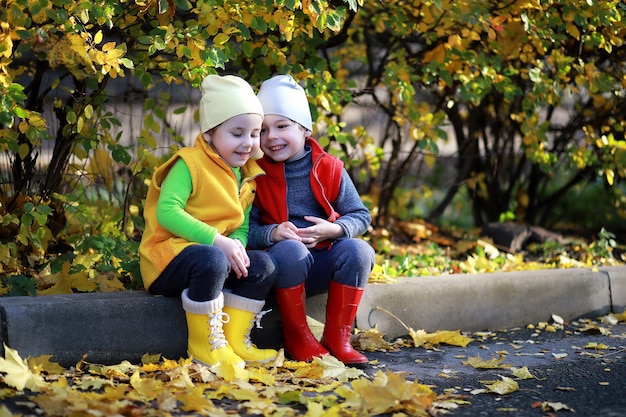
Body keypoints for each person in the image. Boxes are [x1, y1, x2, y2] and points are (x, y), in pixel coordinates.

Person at [139, 74, 278, 368]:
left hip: (212, 259)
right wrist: (219, 242)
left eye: (254, 134)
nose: (248, 143)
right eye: (237, 133)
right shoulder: (189, 163)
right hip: (168, 260)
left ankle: (234, 342)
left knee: (263, 266)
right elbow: (168, 212)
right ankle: (205, 348)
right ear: (211, 133)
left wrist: (236, 250)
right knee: (212, 258)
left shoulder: (247, 174)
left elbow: (239, 225)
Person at [247, 74, 376, 365]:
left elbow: (361, 215)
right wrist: (272, 234)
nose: (272, 137)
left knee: (359, 250)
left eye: (282, 126)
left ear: (305, 129)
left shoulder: (329, 168)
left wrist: (335, 229)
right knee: (291, 249)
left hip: (323, 262)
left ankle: (338, 337)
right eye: (263, 130)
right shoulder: (255, 174)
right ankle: (297, 337)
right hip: (283, 267)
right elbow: (246, 230)